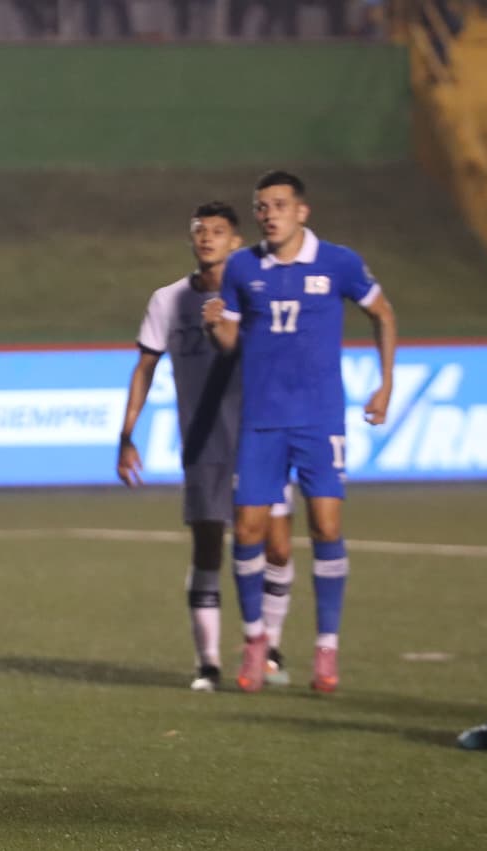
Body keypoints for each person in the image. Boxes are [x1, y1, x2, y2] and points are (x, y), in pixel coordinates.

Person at [203, 170, 397, 693]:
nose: (269, 213)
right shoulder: (243, 267)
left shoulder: (338, 262)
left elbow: (382, 313)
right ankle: (254, 641)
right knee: (246, 532)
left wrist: (385, 385)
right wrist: (217, 323)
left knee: (327, 528)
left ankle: (326, 650)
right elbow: (231, 343)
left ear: (302, 212)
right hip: (262, 420)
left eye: (279, 205)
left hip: (319, 419)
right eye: (262, 206)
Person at [118, 201, 296, 693]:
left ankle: (271, 647)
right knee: (207, 549)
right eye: (200, 230)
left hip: (261, 437)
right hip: (203, 442)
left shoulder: (259, 293)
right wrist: (126, 434)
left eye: (218, 231)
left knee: (277, 548)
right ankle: (209, 665)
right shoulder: (167, 301)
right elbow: (146, 368)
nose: (207, 238)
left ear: (236, 241)